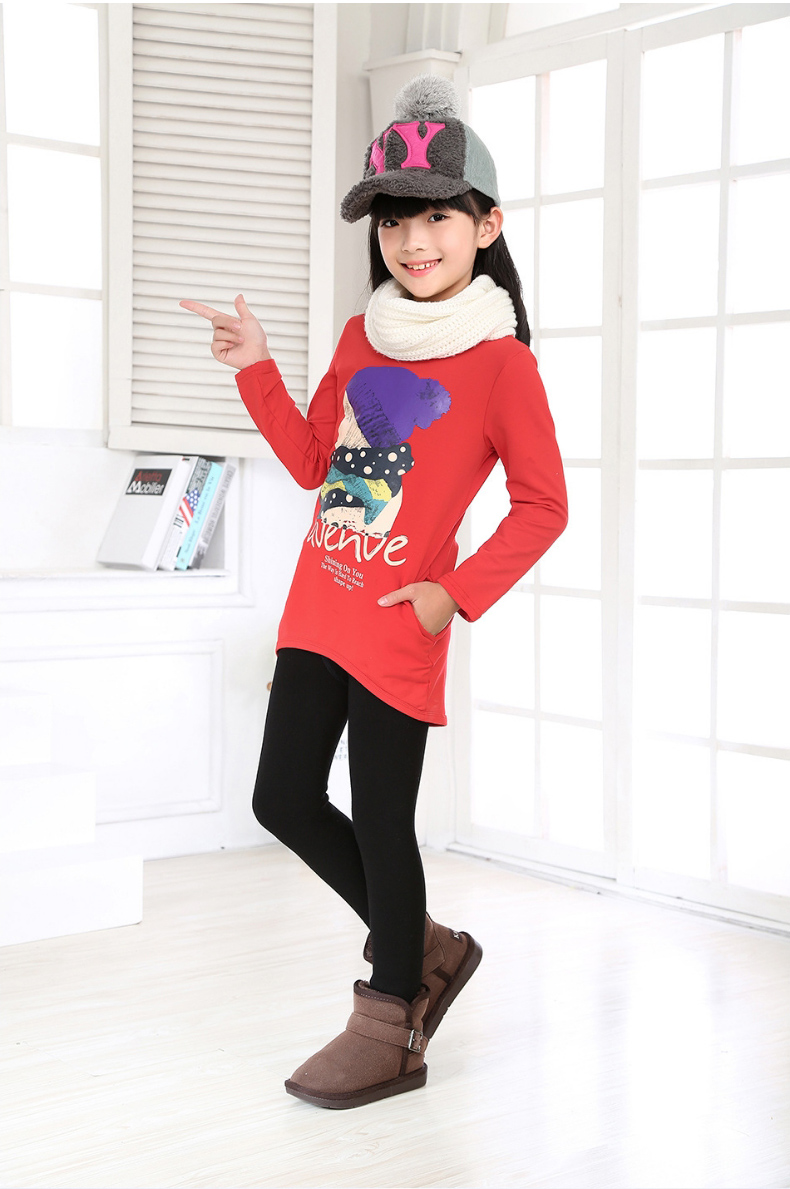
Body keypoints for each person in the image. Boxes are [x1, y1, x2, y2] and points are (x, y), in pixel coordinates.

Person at [180, 74, 568, 1110]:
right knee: (280, 797)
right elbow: (316, 462)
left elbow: (543, 506)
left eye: (436, 217)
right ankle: (425, 945)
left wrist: (454, 594)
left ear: (486, 225)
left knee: (383, 821)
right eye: (394, 221)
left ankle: (392, 1018)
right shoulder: (364, 338)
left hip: (402, 621)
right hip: (320, 603)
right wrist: (257, 368)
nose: (412, 240)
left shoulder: (502, 366)